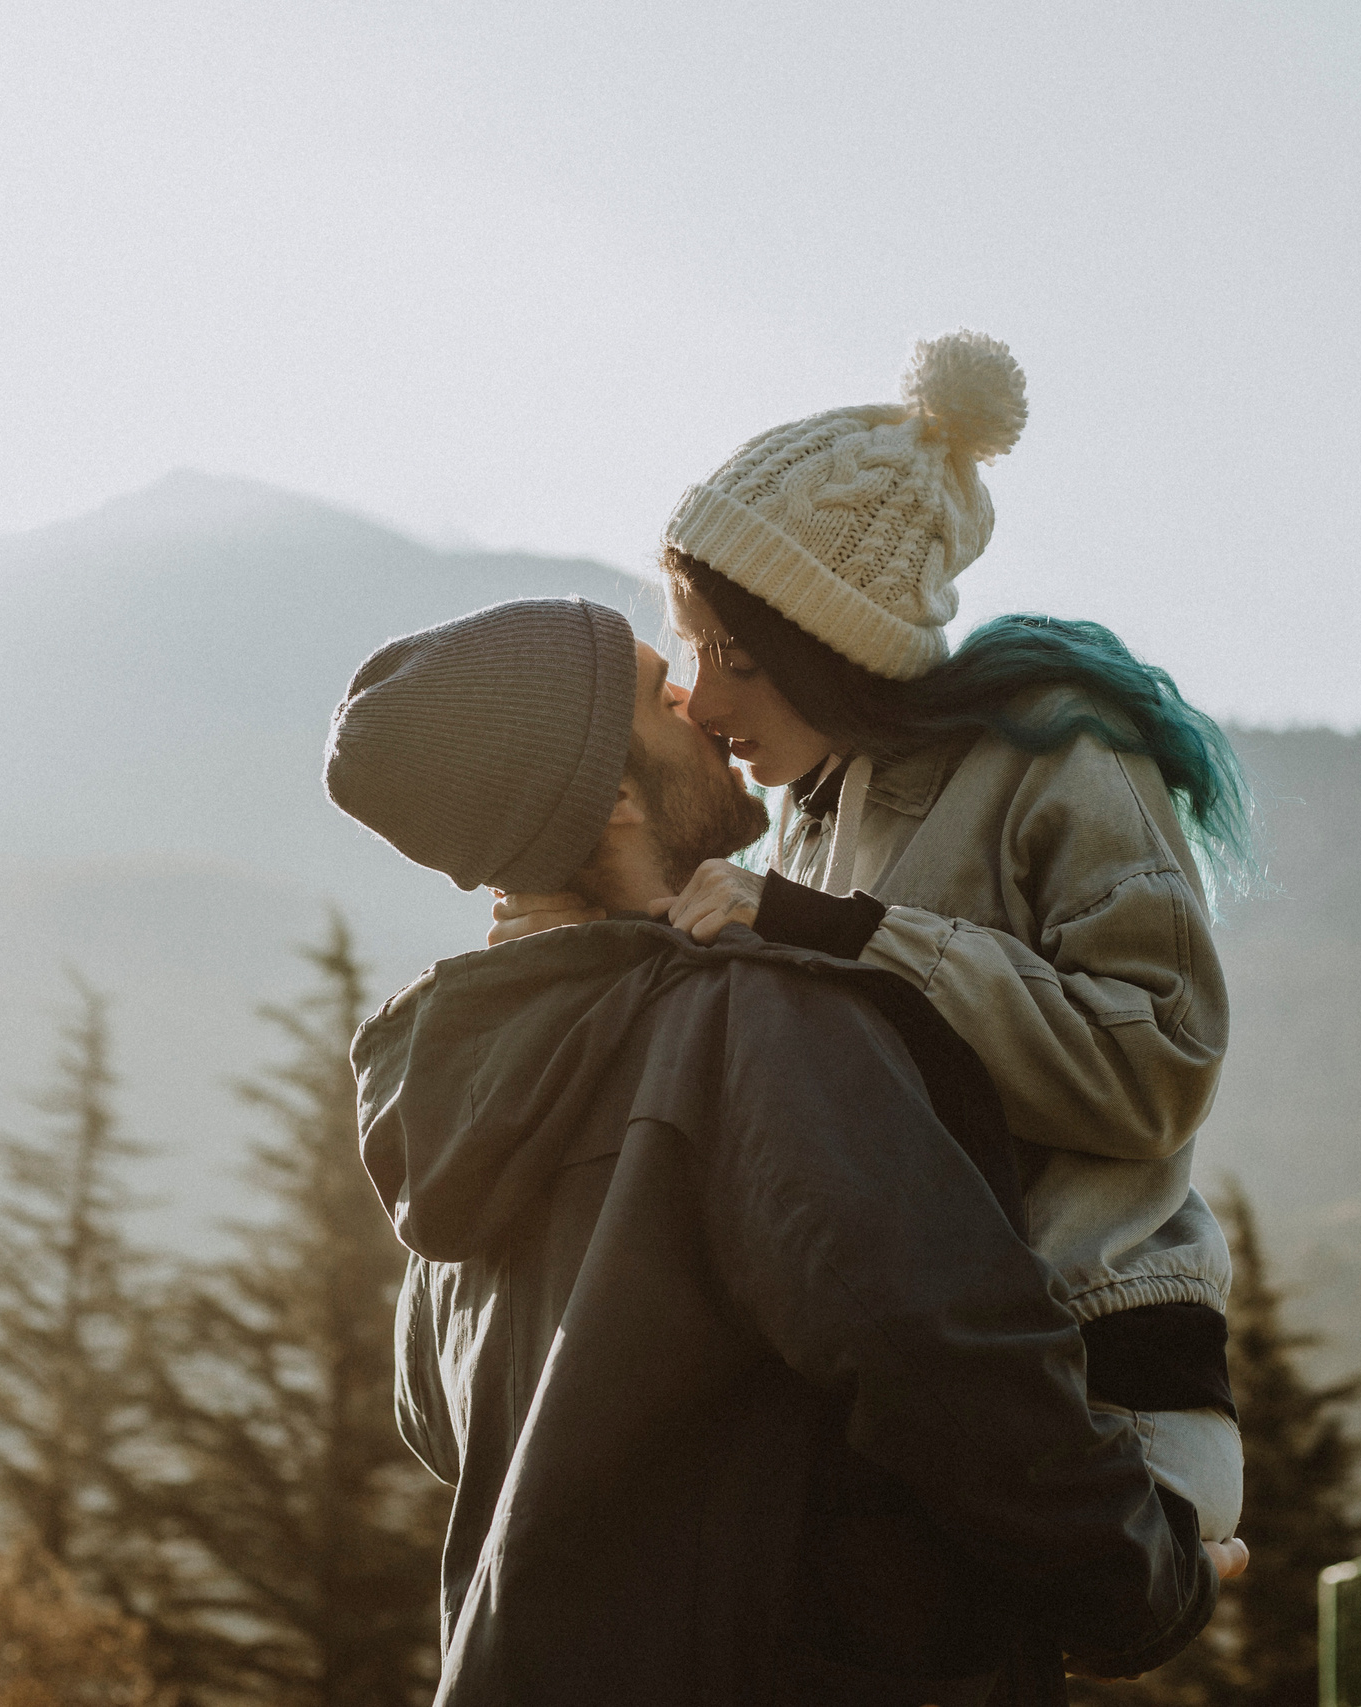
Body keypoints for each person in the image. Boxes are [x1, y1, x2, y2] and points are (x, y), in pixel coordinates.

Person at [325, 597, 1237, 1707]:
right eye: (658, 693)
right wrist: (1145, 1581)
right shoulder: (754, 1025)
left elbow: (441, 1425)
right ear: (612, 797)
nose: (698, 703)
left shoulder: (465, 1106)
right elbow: (947, 1348)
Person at [493, 332, 1251, 1548]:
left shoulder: (1054, 751)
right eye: (690, 650)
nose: (704, 700)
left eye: (739, 659)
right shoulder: (808, 821)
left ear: (835, 647)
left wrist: (848, 938)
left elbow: (1154, 1065)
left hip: (1101, 1387)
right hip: (932, 1391)